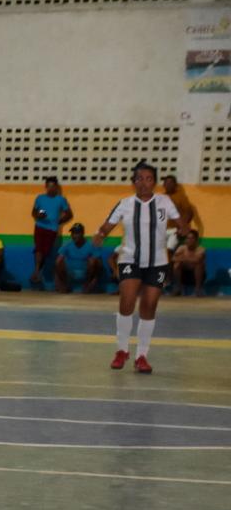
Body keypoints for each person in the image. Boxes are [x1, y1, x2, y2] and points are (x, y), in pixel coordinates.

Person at [92, 161, 184, 375]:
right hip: (130, 259)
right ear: (133, 182)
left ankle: (142, 356)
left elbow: (181, 222)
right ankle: (121, 350)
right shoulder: (124, 203)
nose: (144, 182)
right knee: (127, 301)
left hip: (158, 262)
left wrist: (184, 229)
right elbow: (107, 225)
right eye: (139, 178)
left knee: (149, 306)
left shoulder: (165, 201)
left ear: (154, 182)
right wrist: (100, 235)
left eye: (148, 178)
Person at [30, 176, 72, 289]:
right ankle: (37, 271)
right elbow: (34, 212)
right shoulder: (40, 198)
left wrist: (60, 221)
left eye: (53, 186)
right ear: (46, 187)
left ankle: (38, 271)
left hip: (52, 229)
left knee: (45, 251)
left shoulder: (61, 200)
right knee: (38, 248)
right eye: (49, 186)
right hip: (40, 226)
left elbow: (69, 214)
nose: (51, 189)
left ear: (57, 187)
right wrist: (39, 215)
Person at [53, 223, 102, 294]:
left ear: (82, 234)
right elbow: (58, 261)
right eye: (73, 233)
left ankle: (88, 284)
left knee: (93, 261)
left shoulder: (91, 245)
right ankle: (65, 285)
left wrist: (94, 278)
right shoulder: (67, 245)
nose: (74, 236)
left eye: (77, 233)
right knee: (58, 262)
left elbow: (99, 264)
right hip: (70, 272)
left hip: (86, 273)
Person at [172, 229, 209, 297]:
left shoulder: (201, 249)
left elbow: (197, 260)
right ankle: (178, 288)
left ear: (196, 240)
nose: (189, 240)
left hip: (197, 276)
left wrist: (183, 258)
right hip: (184, 275)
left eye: (192, 238)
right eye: (188, 238)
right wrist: (189, 259)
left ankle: (198, 289)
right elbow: (173, 258)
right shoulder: (182, 248)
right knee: (177, 264)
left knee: (199, 265)